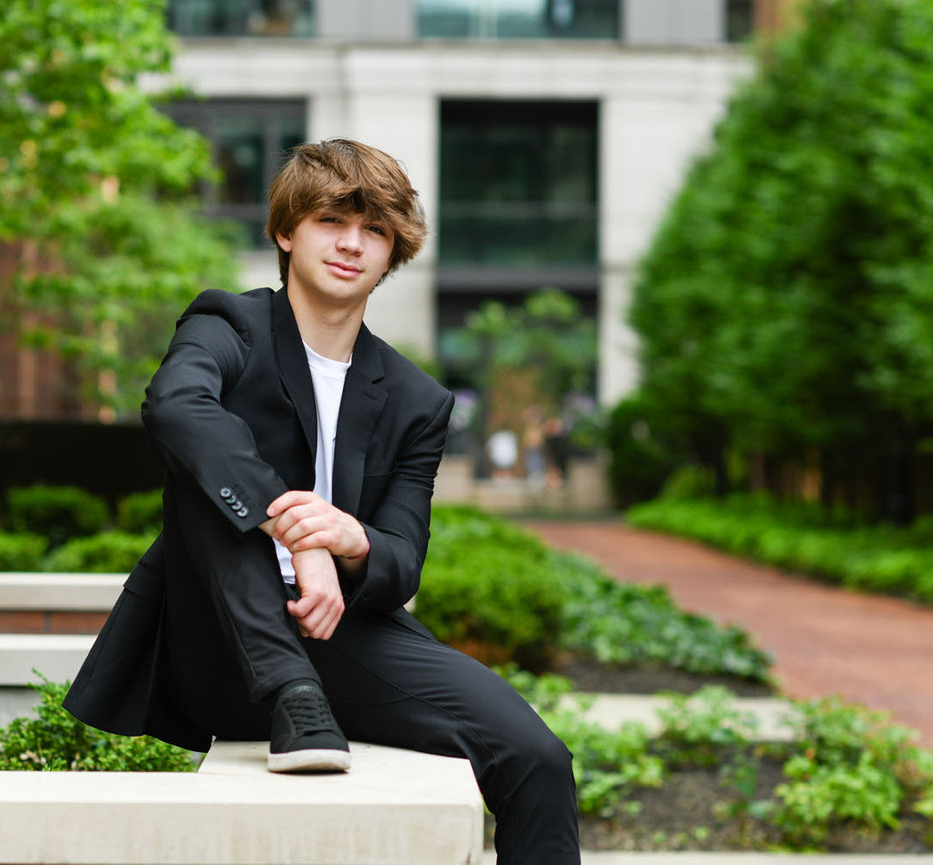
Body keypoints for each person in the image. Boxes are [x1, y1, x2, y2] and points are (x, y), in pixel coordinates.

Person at [63, 138, 580, 863]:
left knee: (537, 756)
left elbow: (401, 562)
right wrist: (298, 531)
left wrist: (351, 540)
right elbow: (175, 407)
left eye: (374, 229)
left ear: (394, 250)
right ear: (285, 231)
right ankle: (290, 692)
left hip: (335, 632)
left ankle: (304, 692)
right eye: (332, 220)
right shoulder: (228, 327)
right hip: (217, 634)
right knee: (208, 469)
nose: (352, 243)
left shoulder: (415, 399)